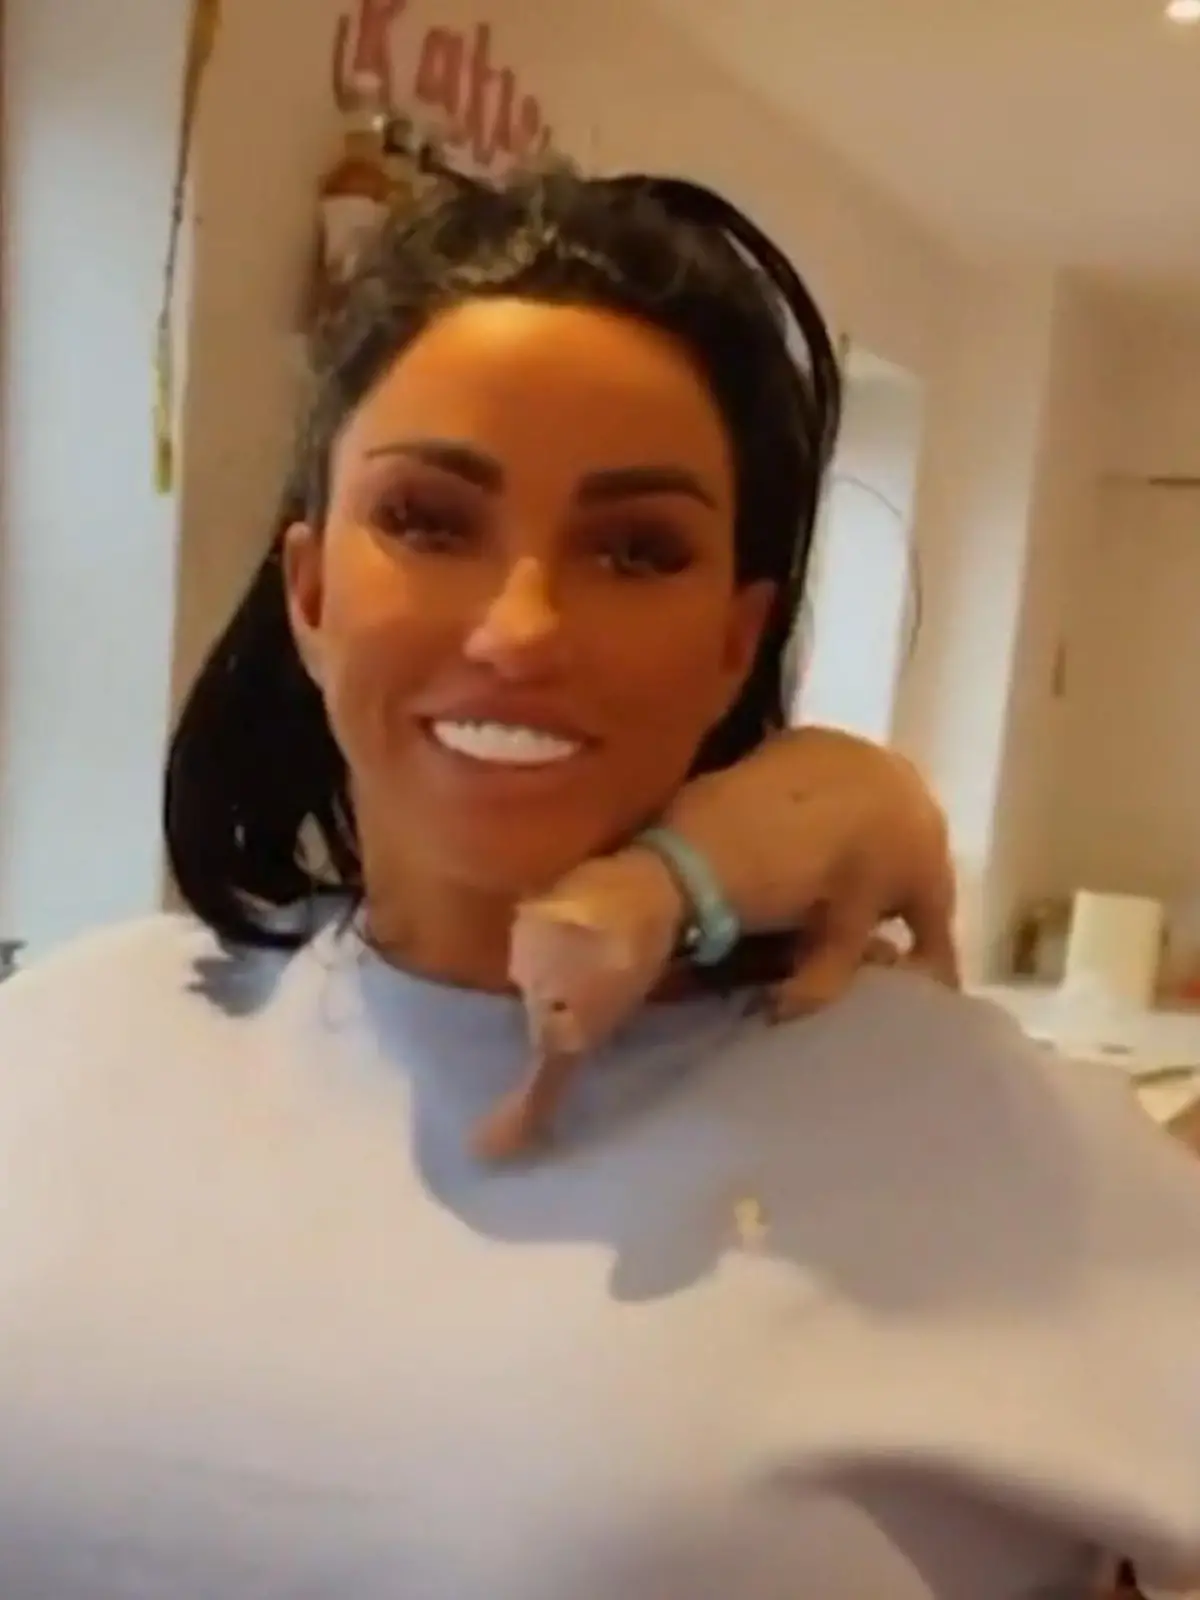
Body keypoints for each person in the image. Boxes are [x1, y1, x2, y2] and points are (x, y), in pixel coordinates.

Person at [0, 167, 1196, 1600]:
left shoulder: (968, 1132)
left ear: (735, 642)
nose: (520, 628)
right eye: (429, 520)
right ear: (310, 594)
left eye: (637, 551)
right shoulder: (67, 1039)